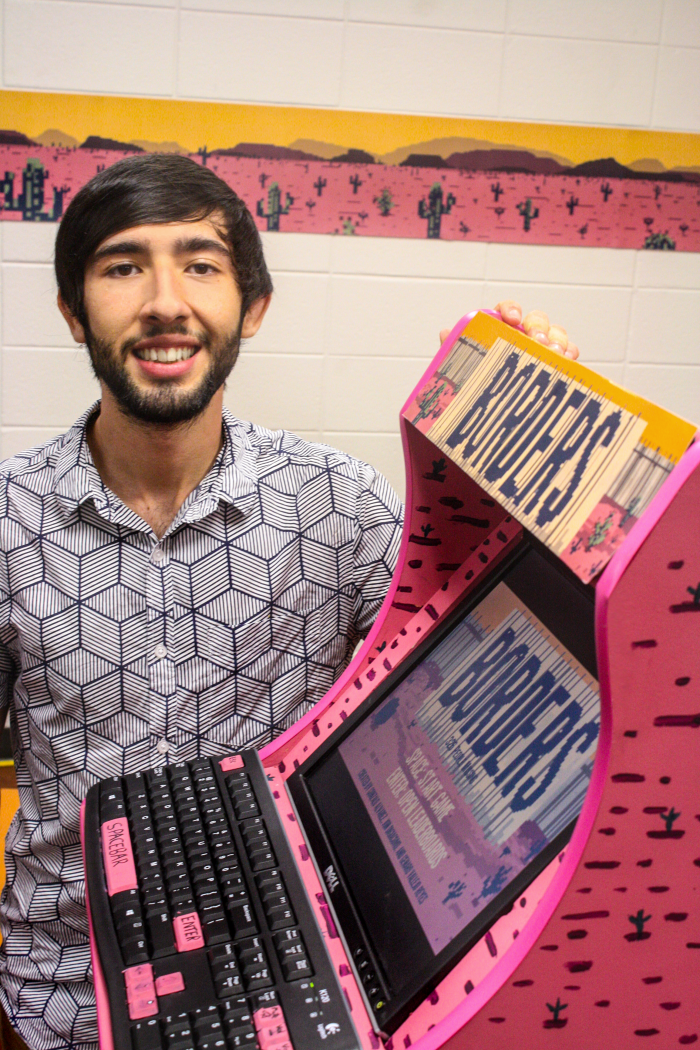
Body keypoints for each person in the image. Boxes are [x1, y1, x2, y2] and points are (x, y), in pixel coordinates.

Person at [0, 154, 579, 1049]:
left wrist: (520, 445)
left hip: (281, 980)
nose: (164, 301)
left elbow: (459, 655)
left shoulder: (337, 505)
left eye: (201, 265)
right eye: (123, 266)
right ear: (76, 312)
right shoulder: (8, 520)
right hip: (64, 993)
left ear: (253, 306)